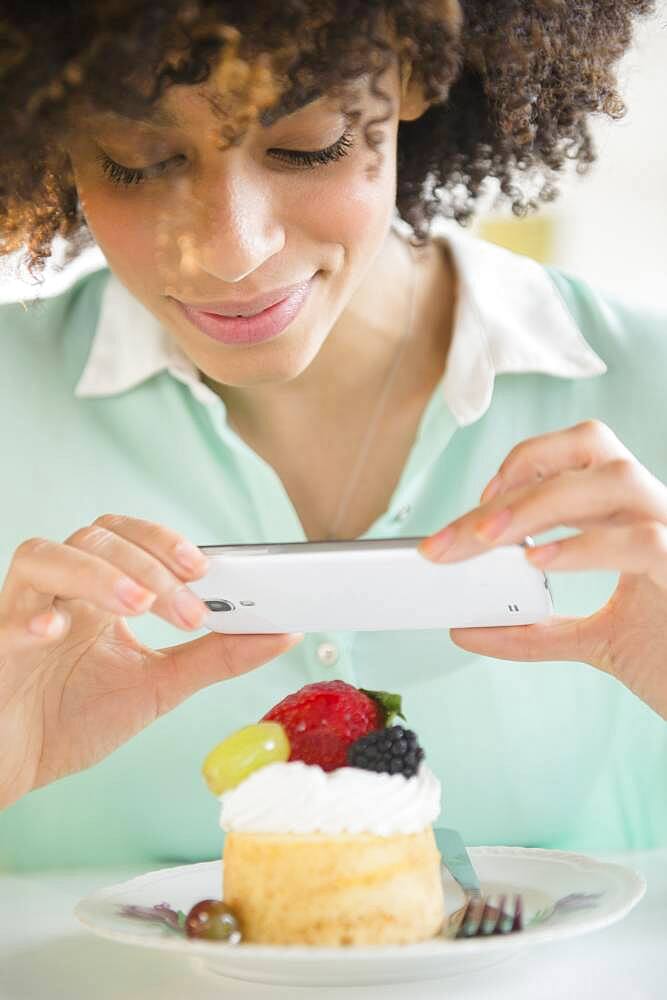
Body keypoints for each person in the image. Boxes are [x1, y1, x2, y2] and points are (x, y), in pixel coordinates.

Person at [0, 0, 664, 871]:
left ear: (420, 73)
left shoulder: (645, 390)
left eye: (308, 146)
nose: (229, 250)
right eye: (139, 162)